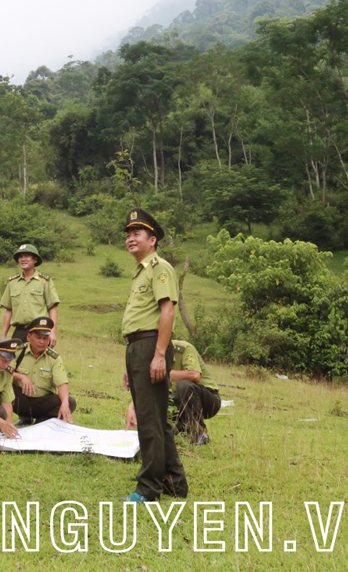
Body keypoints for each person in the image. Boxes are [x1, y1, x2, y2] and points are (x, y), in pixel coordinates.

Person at [120, 207, 187, 502]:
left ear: (153, 239)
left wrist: (159, 354)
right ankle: (175, 483)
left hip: (151, 345)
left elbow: (167, 311)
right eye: (128, 234)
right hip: (137, 346)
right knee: (156, 419)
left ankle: (148, 489)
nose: (130, 239)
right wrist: (132, 360)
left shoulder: (161, 268)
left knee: (149, 420)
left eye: (137, 234)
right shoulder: (140, 272)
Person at [127, 339, 220, 445]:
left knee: (184, 385)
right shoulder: (151, 356)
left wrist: (164, 373)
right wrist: (132, 406)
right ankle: (181, 428)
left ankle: (199, 433)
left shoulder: (184, 349)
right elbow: (148, 388)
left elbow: (195, 375)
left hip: (208, 399)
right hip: (178, 400)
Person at [11, 316, 75, 425]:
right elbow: (4, 371)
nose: (41, 341)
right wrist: (21, 377)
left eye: (45, 338)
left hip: (42, 401)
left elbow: (62, 383)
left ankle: (41, 423)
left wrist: (64, 403)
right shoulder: (17, 352)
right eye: (38, 337)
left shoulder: (54, 358)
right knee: (1, 389)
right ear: (28, 337)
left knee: (70, 402)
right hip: (20, 400)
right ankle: (8, 420)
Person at [0, 243, 60, 346]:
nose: (23, 259)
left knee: (39, 360)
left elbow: (52, 308)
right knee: (17, 361)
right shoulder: (12, 282)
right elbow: (9, 311)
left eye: (27, 256)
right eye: (20, 257)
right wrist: (3, 335)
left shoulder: (44, 281)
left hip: (40, 331)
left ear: (35, 259)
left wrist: (52, 332)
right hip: (19, 331)